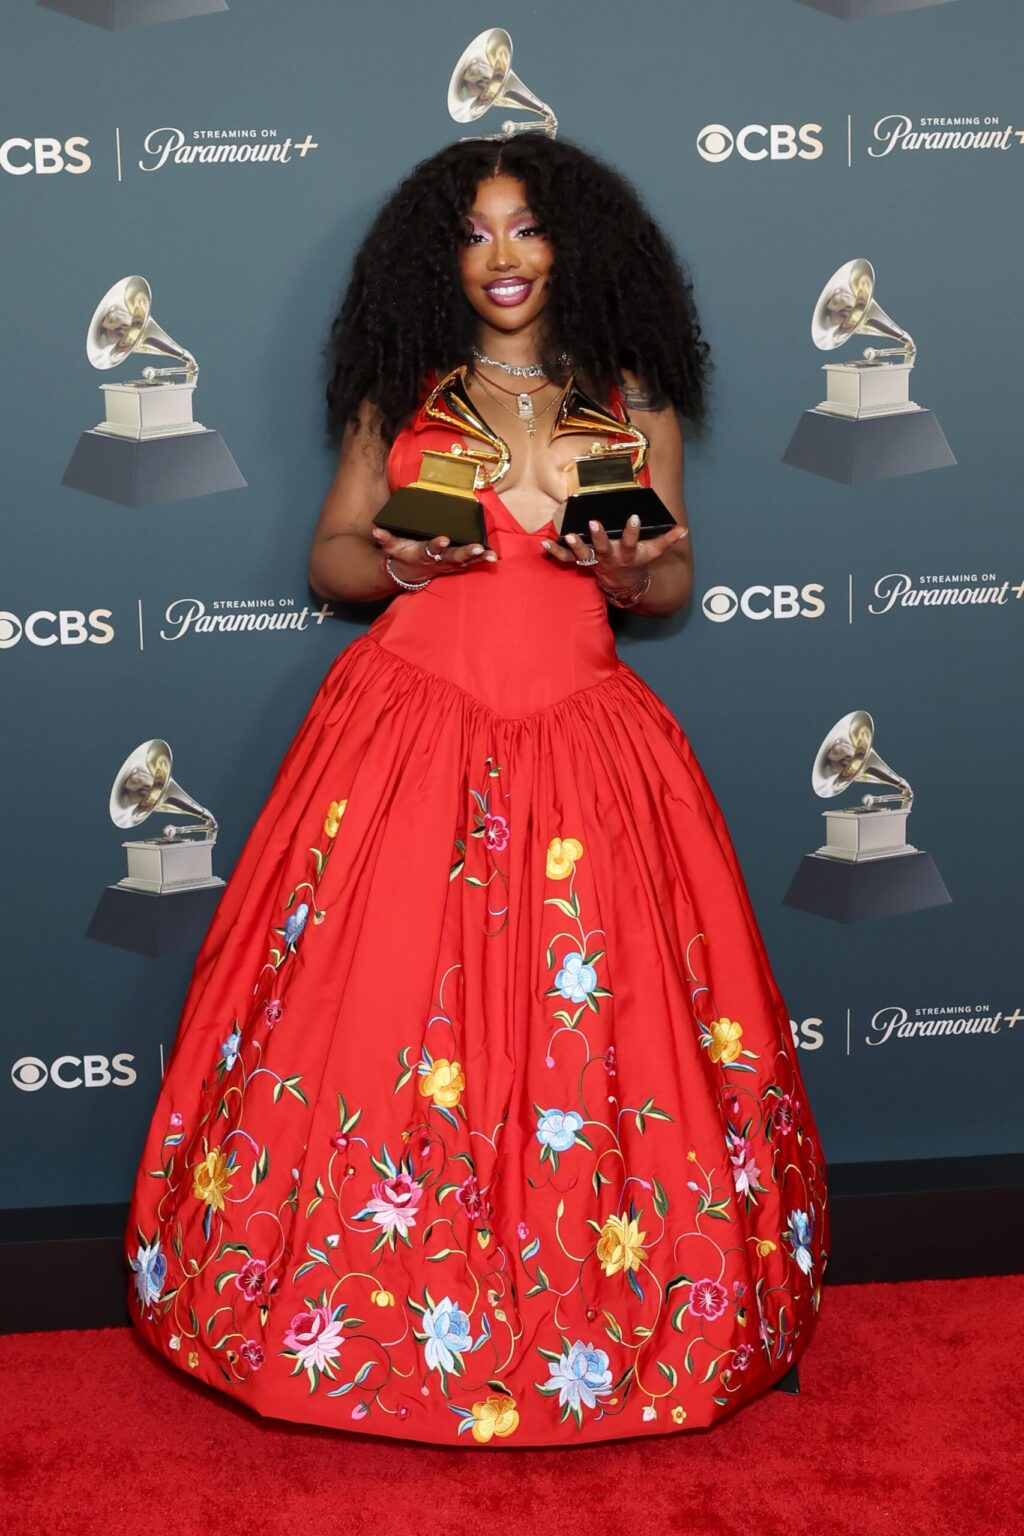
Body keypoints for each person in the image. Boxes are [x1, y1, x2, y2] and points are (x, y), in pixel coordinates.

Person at [126, 132, 829, 1447]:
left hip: (586, 750)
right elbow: (330, 554)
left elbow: (673, 578)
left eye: (526, 227)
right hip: (404, 743)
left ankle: (615, 1318)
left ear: (575, 243)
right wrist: (392, 562)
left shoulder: (629, 396)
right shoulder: (407, 394)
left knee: (605, 1036)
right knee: (379, 1017)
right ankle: (339, 1322)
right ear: (439, 258)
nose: (502, 256)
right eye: (475, 232)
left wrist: (630, 575)